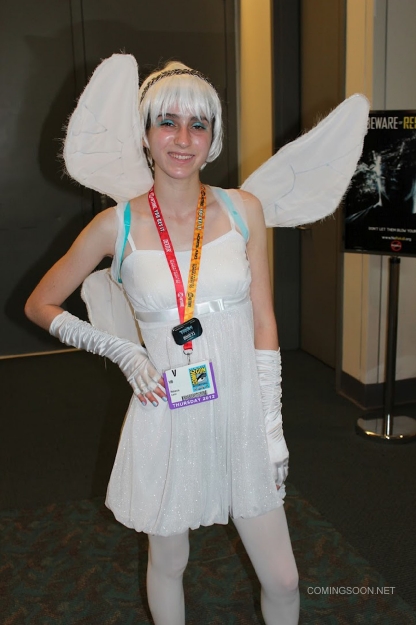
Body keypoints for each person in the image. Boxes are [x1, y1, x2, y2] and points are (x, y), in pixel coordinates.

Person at [25, 60, 299, 624]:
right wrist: (121, 350)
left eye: (198, 125)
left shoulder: (244, 210)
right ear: (146, 135)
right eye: (167, 122)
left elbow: (264, 322)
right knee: (170, 559)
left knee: (284, 578)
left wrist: (272, 426)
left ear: (213, 138)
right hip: (168, 407)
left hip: (242, 410)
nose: (182, 138)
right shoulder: (115, 225)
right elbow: (40, 303)